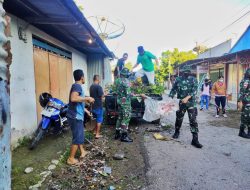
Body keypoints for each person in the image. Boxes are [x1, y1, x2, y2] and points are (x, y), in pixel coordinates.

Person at [169, 65, 203, 148]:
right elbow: (174, 89)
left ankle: (195, 140)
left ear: (190, 72)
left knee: (193, 120)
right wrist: (171, 97)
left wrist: (187, 97)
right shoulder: (178, 79)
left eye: (188, 72)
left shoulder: (194, 80)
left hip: (191, 103)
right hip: (181, 103)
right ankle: (177, 132)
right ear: (182, 72)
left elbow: (195, 90)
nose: (187, 73)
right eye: (185, 72)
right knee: (179, 118)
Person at [66, 69, 95, 165]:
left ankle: (82, 151)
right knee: (77, 137)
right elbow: (73, 98)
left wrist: (86, 111)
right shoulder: (77, 86)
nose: (84, 78)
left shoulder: (77, 86)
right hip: (75, 117)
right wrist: (87, 98)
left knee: (79, 135)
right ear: (82, 77)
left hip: (76, 115)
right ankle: (71, 159)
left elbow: (78, 103)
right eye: (84, 77)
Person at [114, 68, 133, 142]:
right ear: (126, 74)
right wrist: (132, 94)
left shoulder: (117, 80)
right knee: (126, 118)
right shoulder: (126, 81)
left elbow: (117, 91)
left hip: (119, 101)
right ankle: (124, 136)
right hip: (125, 103)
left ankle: (117, 134)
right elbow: (128, 94)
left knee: (120, 117)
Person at [90, 75, 104, 139]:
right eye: (100, 79)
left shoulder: (91, 86)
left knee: (96, 119)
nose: (100, 80)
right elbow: (101, 97)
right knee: (99, 120)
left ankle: (95, 131)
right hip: (98, 106)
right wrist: (104, 95)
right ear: (98, 79)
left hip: (93, 106)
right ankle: (97, 134)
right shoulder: (98, 87)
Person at [237, 68, 250, 139]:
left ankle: (249, 132)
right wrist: (240, 101)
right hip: (246, 102)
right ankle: (241, 132)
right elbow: (241, 91)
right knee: (245, 117)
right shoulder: (246, 81)